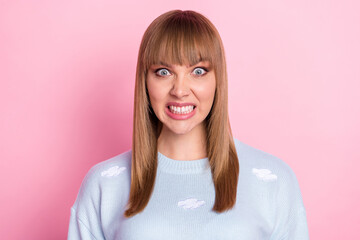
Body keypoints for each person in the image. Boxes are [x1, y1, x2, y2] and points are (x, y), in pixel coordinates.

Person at [67, 10, 309, 239]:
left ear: (217, 80)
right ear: (145, 81)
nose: (180, 90)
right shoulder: (104, 185)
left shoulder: (274, 180)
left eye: (198, 71)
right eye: (163, 72)